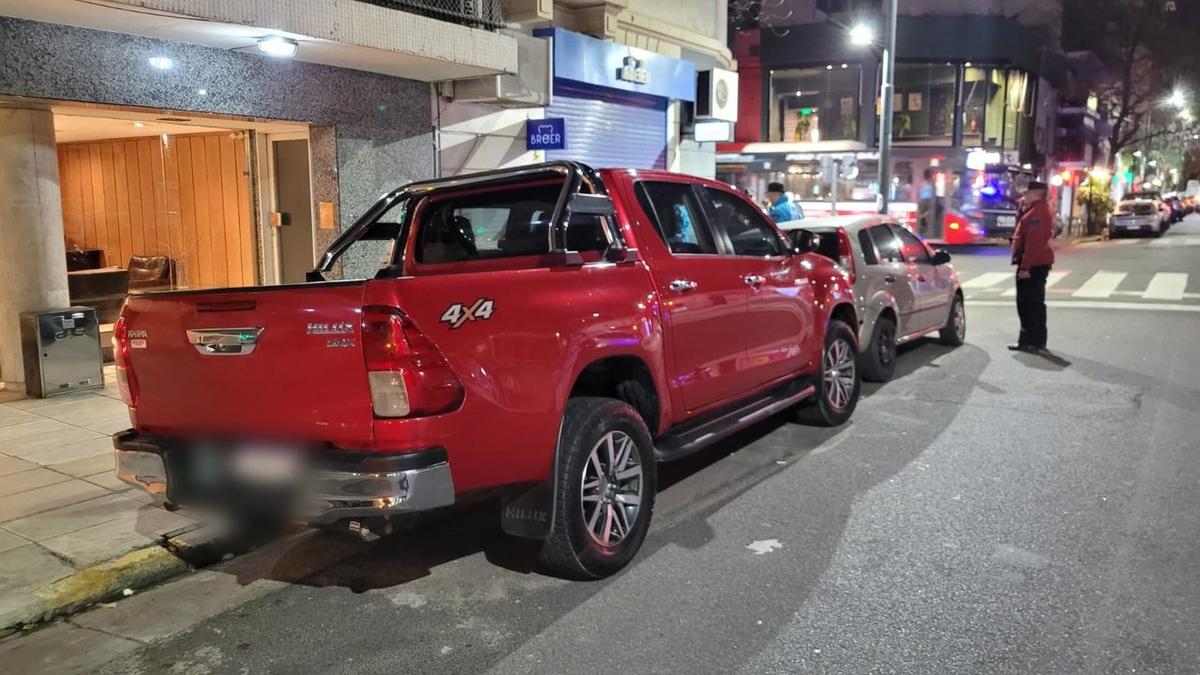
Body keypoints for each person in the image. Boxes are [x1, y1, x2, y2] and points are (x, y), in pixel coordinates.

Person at [1008, 180, 1055, 353]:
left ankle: (1032, 341)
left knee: (1029, 303)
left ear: (1035, 194)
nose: (1023, 197)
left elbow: (1033, 244)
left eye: (1026, 194)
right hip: (1035, 263)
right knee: (1030, 303)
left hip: (1033, 265)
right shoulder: (1034, 210)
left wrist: (1025, 268)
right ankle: (1031, 341)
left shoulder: (1037, 213)